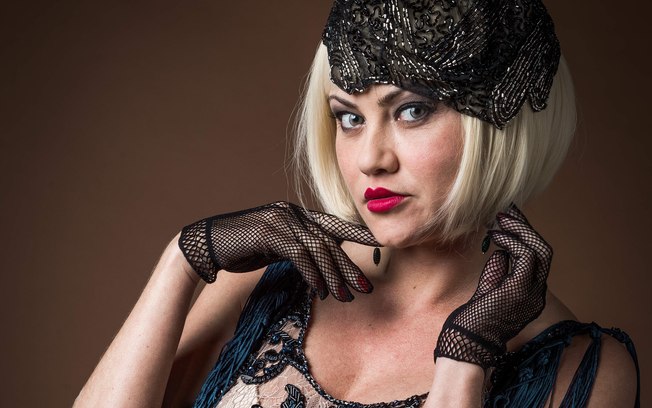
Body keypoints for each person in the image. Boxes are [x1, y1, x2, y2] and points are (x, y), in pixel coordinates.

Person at [74, 0, 640, 407]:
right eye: (348, 117)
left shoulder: (584, 371)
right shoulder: (260, 287)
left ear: (501, 124)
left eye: (412, 110)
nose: (370, 158)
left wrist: (465, 363)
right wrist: (181, 261)